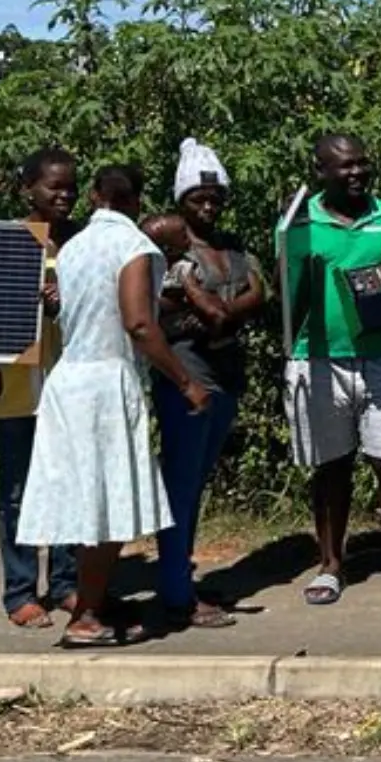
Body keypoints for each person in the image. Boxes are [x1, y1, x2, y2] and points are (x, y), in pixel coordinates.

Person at [17, 164, 201, 648]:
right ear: (138, 200)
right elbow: (139, 324)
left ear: (95, 196)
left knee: (87, 503)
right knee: (108, 505)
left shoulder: (73, 247)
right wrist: (185, 382)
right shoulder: (134, 247)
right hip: (105, 382)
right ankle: (85, 616)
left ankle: (87, 604)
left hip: (68, 381)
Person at [280, 132, 381, 606]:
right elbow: (284, 297)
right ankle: (331, 565)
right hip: (318, 358)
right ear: (320, 171)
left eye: (361, 164)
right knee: (332, 468)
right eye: (343, 166)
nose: (355, 173)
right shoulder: (299, 224)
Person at [147, 138, 262, 631]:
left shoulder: (232, 248)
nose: (209, 207)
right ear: (181, 202)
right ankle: (176, 590)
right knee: (181, 484)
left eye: (216, 199)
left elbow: (258, 292)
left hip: (226, 376)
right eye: (198, 199)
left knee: (198, 482)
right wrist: (211, 313)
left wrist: (216, 316)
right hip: (186, 378)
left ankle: (184, 578)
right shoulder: (165, 251)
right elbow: (158, 311)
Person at [0, 148, 80, 627]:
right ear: (29, 189)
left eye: (70, 187)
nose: (64, 196)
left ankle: (66, 582)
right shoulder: (5, 243)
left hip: (69, 384)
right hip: (18, 387)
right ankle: (20, 590)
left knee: (66, 485)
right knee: (18, 490)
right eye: (53, 187)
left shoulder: (82, 242)